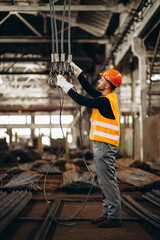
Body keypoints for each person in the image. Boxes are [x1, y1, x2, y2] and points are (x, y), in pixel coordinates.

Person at [56, 62, 122, 228]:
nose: (98, 82)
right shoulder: (106, 98)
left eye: (101, 80)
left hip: (105, 146)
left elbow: (82, 99)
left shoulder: (106, 102)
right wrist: (78, 73)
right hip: (102, 145)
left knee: (107, 181)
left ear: (107, 85)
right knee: (103, 180)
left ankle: (114, 217)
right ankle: (107, 213)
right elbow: (89, 90)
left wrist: (65, 85)